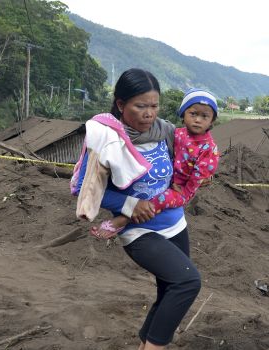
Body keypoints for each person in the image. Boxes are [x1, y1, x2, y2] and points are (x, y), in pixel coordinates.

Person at [70, 68, 200, 350]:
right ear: (120, 104)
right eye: (140, 106)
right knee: (188, 282)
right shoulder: (106, 139)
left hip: (174, 223)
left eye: (154, 106)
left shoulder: (165, 131)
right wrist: (128, 204)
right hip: (138, 231)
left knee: (168, 288)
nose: (148, 113)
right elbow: (83, 188)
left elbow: (183, 163)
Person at [90, 88, 220, 239]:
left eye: (204, 116)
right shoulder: (176, 133)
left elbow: (200, 176)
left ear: (212, 121)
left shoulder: (208, 147)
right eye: (193, 114)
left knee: (160, 199)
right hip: (171, 181)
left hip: (182, 189)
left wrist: (184, 192)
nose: (198, 120)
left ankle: (123, 220)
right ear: (183, 115)